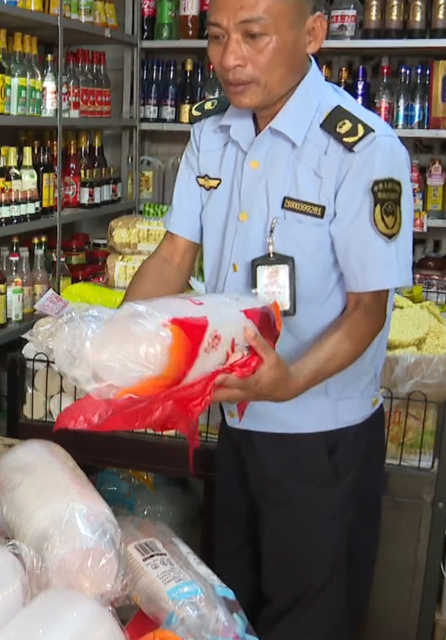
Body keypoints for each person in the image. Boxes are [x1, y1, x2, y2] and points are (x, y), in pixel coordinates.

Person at [122, 0, 414, 637]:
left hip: (322, 442)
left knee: (310, 622)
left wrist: (290, 380)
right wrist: (115, 343)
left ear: (313, 33)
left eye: (254, 36)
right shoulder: (212, 135)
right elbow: (173, 256)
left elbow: (369, 309)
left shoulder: (361, 150)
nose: (230, 58)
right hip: (236, 423)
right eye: (217, 37)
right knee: (231, 611)